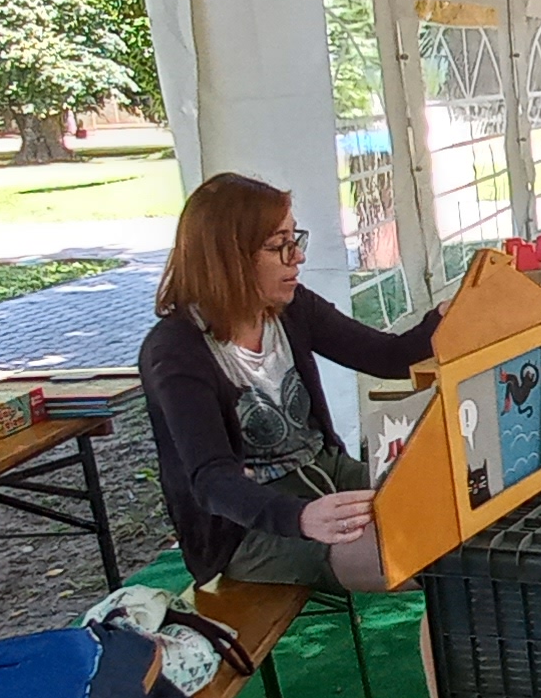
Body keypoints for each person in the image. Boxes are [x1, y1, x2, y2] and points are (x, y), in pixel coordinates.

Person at [140, 174, 441, 593]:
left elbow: (388, 357)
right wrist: (300, 518)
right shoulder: (176, 350)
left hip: (326, 476)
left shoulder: (291, 308)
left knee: (459, 519)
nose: (297, 256)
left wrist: (451, 314)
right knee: (435, 559)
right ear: (229, 257)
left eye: (294, 239)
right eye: (278, 245)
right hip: (248, 529)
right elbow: (212, 481)